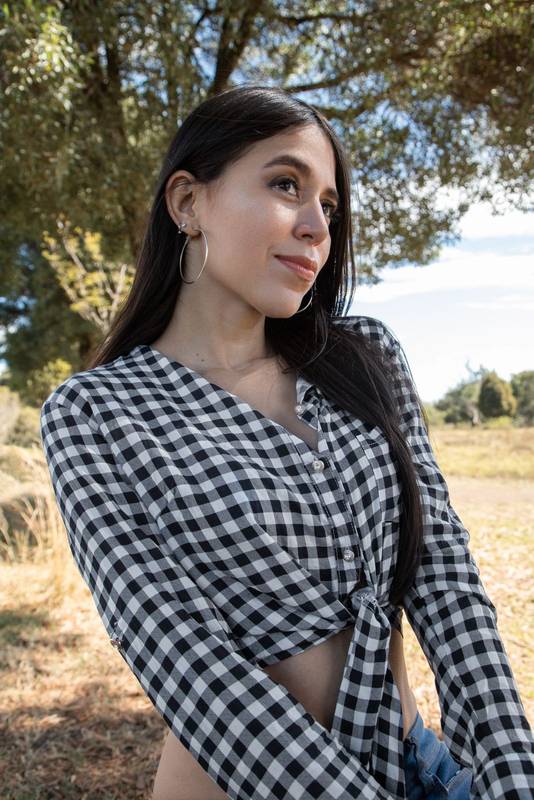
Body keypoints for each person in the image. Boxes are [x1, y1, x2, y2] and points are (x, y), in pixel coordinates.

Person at [39, 84, 534, 800]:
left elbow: (443, 574)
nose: (316, 227)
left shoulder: (365, 356)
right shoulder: (96, 413)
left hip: (418, 768)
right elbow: (190, 668)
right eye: (284, 184)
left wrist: (513, 773)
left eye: (328, 207)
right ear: (188, 203)